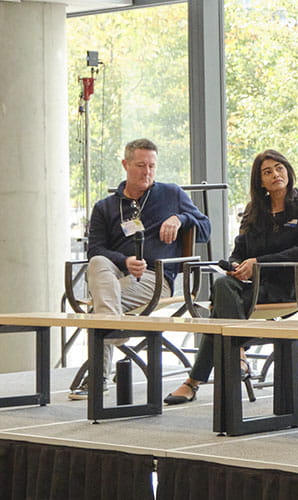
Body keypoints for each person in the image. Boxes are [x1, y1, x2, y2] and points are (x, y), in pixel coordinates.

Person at [165, 149, 298, 405]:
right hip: (251, 287)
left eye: (279, 168)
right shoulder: (254, 210)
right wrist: (236, 265)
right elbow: (239, 252)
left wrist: (258, 263)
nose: (275, 174)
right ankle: (236, 352)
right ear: (260, 181)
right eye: (267, 172)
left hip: (287, 286)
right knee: (223, 283)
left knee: (221, 311)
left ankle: (196, 379)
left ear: (288, 171)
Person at [72, 138, 213, 400]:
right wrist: (124, 262)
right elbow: (95, 250)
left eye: (151, 166)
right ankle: (113, 329)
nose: (147, 172)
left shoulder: (171, 194)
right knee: (98, 264)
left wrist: (180, 218)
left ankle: (98, 374)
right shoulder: (105, 207)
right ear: (125, 164)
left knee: (101, 308)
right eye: (140, 165)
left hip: (154, 277)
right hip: (115, 275)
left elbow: (205, 229)